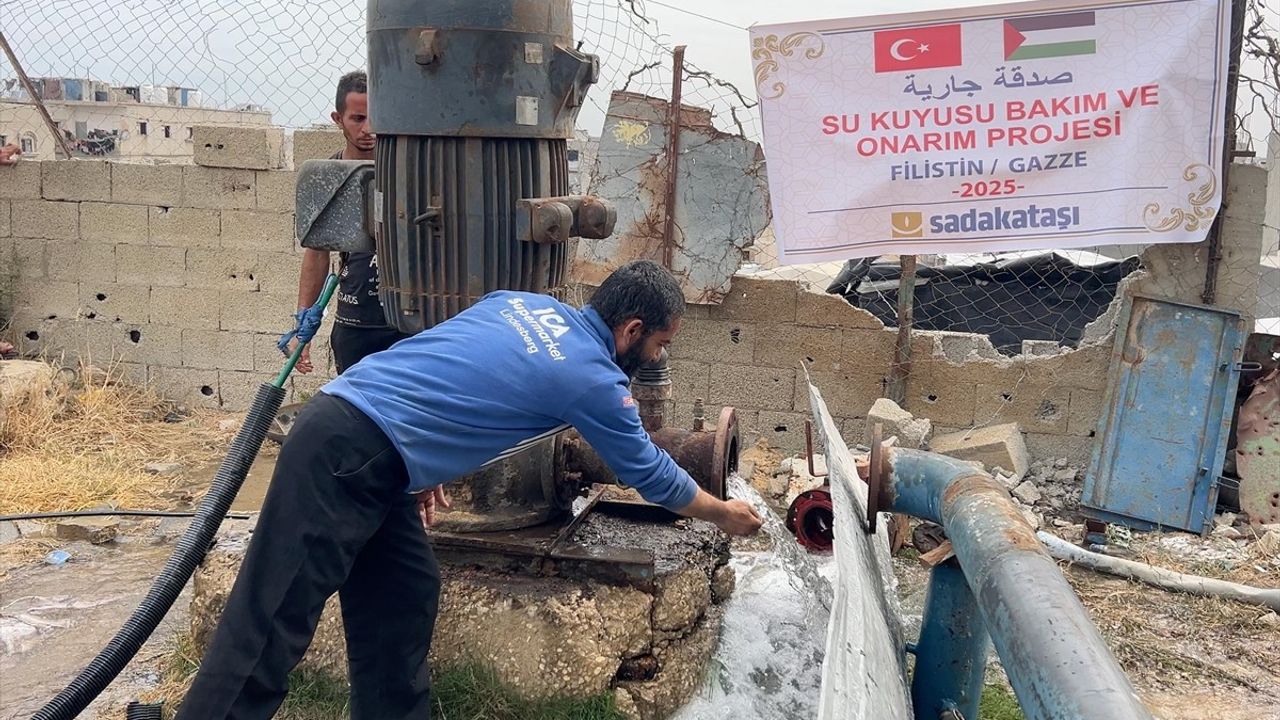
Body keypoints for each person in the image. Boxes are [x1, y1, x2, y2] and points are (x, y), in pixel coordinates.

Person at [177, 260, 763, 720]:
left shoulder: (523, 305)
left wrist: (423, 461)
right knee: (271, 621)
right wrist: (719, 513)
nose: (658, 356)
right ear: (632, 330)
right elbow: (650, 473)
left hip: (373, 445)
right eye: (660, 344)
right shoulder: (593, 378)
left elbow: (459, 370)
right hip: (345, 451)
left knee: (402, 593)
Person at [288, 70, 409, 375]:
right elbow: (317, 252)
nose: (368, 129)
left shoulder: (409, 169)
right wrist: (304, 322)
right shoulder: (328, 177)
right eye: (357, 119)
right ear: (338, 119)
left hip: (408, 320)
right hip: (357, 321)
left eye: (375, 118)